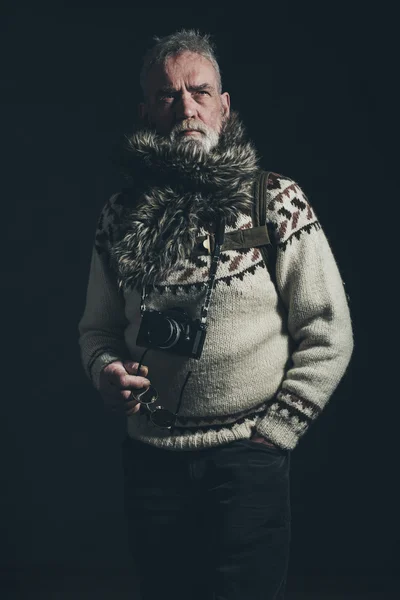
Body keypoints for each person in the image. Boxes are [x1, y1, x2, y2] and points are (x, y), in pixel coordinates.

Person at [78, 29, 353, 600]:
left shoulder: (274, 201)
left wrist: (275, 435)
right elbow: (98, 329)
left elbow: (329, 332)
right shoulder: (119, 216)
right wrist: (104, 370)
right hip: (150, 464)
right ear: (146, 113)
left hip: (246, 463)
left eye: (199, 92)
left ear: (223, 107)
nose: (186, 108)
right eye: (167, 96)